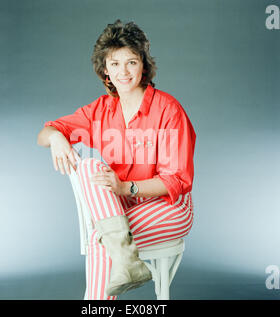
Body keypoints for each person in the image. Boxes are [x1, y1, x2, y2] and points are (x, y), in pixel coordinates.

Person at [37, 19, 196, 300]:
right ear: (105, 71)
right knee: (88, 166)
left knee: (101, 239)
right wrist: (58, 138)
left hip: (169, 206)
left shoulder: (167, 109)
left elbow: (177, 180)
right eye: (114, 64)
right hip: (122, 205)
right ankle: (124, 264)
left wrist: (126, 188)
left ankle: (97, 300)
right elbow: (45, 133)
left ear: (143, 65)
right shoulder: (101, 109)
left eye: (131, 62)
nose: (123, 71)